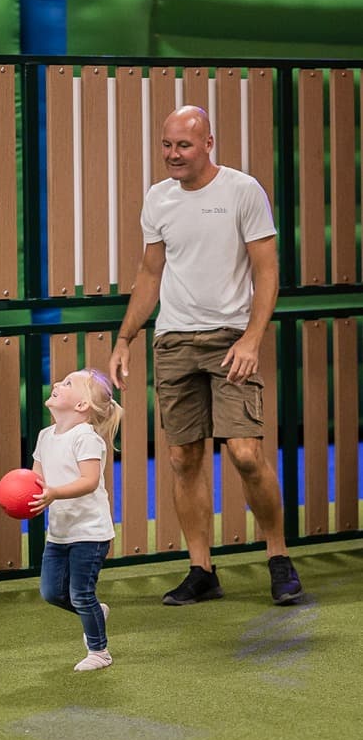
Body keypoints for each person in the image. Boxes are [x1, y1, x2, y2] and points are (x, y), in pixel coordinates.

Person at [108, 105, 302, 607]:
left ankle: (279, 558)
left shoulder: (242, 190)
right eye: (168, 145)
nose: (173, 154)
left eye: (184, 145)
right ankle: (202, 571)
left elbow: (267, 272)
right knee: (181, 457)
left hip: (230, 340)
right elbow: (149, 275)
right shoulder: (158, 198)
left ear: (208, 143)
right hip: (173, 342)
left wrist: (252, 339)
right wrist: (125, 338)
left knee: (245, 454)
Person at [29, 367, 123, 671]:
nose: (57, 383)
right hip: (59, 531)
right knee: (52, 592)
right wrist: (22, 495)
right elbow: (36, 478)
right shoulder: (45, 437)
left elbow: (90, 481)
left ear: (82, 406)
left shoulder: (86, 438)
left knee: (81, 593)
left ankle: (99, 652)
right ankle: (96, 611)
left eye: (68, 383)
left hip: (90, 532)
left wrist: (54, 492)